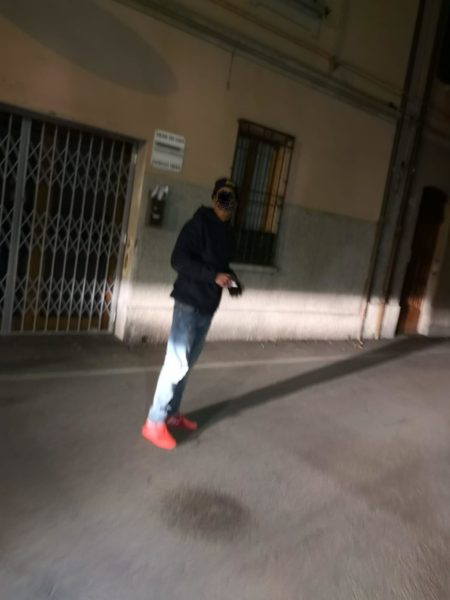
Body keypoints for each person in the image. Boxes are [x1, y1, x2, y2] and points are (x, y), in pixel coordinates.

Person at [141, 177, 243, 450]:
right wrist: (213, 276)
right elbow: (178, 259)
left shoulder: (226, 233)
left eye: (230, 197)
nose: (225, 202)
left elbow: (220, 266)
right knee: (176, 364)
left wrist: (231, 281)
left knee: (187, 365)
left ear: (235, 203)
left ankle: (171, 414)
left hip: (207, 307)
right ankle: (154, 422)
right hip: (188, 303)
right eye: (222, 196)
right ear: (213, 198)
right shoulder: (197, 225)